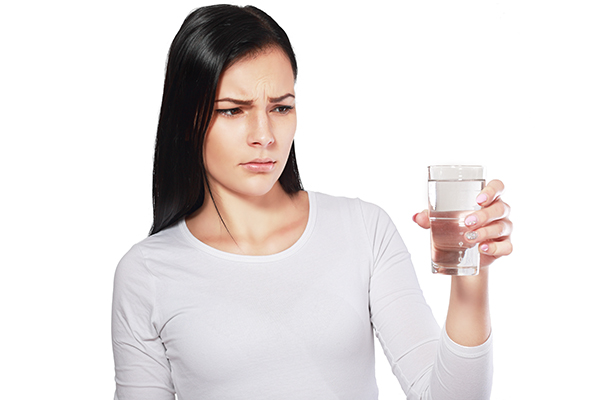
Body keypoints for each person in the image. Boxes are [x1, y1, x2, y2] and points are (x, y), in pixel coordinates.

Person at [111, 4, 513, 400]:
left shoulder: (363, 230)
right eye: (233, 111)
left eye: (281, 107)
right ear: (187, 122)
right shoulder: (146, 273)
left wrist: (471, 275)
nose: (264, 135)